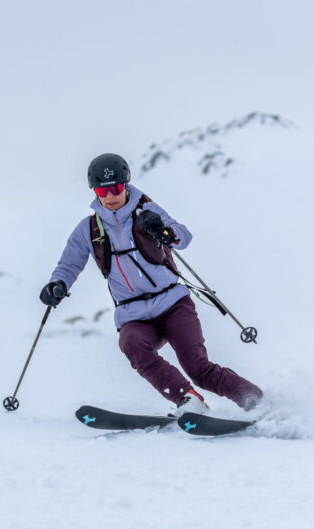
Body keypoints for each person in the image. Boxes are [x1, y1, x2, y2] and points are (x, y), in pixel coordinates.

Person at [40, 153, 263, 416]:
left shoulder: (147, 211)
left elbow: (183, 237)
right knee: (131, 343)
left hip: (173, 304)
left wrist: (165, 231)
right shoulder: (88, 229)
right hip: (134, 314)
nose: (110, 196)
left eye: (116, 188)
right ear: (95, 191)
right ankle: (187, 399)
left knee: (198, 368)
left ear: (125, 184)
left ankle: (256, 401)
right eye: (102, 190)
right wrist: (58, 284)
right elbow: (69, 264)